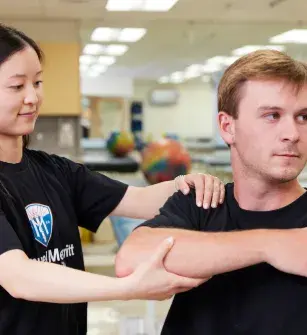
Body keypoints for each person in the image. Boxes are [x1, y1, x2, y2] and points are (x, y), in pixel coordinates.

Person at [0, 23, 224, 335]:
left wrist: (187, 184)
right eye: (16, 86)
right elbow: (17, 276)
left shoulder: (56, 172)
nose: (33, 97)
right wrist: (129, 287)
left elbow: (139, 199)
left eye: (37, 83)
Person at [117, 49, 307, 335]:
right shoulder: (202, 203)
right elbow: (131, 259)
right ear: (227, 127)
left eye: (303, 117)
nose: (292, 133)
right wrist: (270, 246)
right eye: (272, 115)